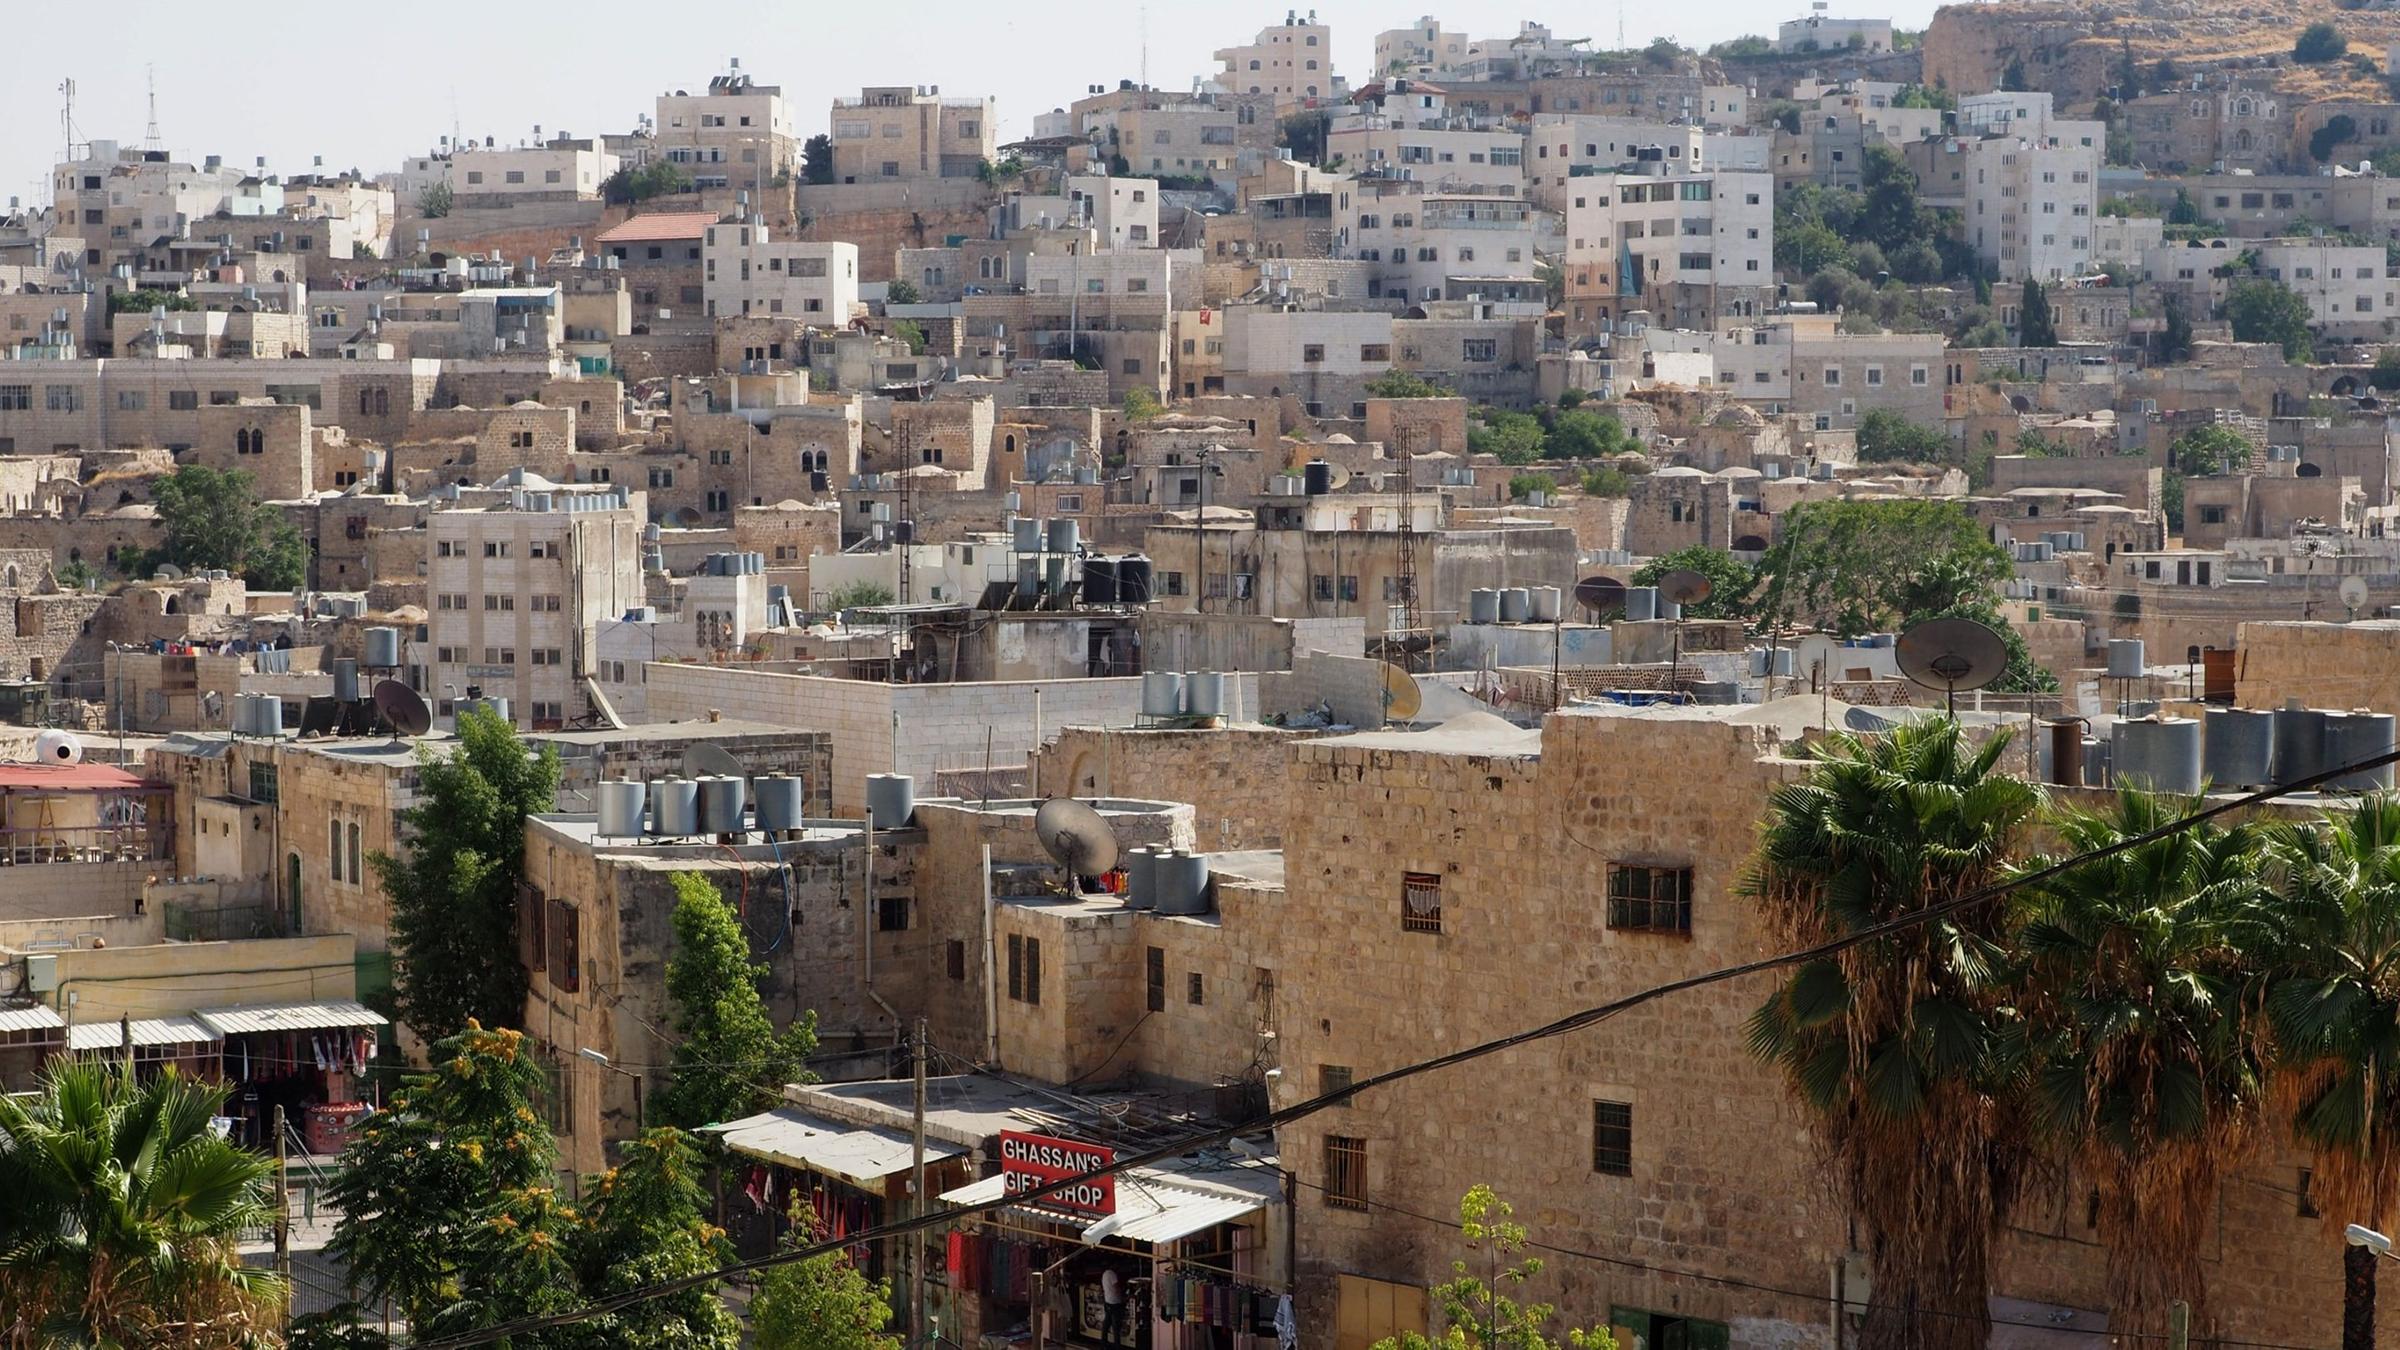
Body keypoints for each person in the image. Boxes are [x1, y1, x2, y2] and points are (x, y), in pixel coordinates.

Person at [1100, 1266, 1126, 1347]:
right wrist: (1123, 1297)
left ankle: (1103, 1342)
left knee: (1106, 1324)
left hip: (1108, 1301)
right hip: (1115, 1303)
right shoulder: (1112, 1274)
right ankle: (1117, 1345)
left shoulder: (1104, 1274)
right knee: (1116, 1326)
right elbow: (1116, 1288)